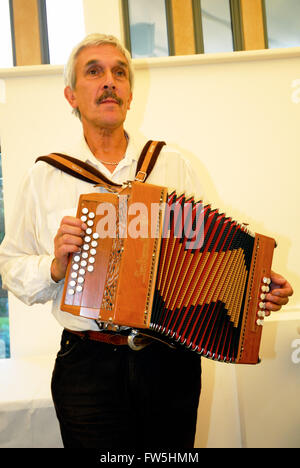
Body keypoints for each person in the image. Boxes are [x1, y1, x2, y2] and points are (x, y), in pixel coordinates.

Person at [0, 34, 293, 449]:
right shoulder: (46, 176)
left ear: (130, 95)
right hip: (87, 365)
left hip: (169, 364)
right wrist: (54, 266)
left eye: (119, 72)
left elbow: (211, 253)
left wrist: (256, 286)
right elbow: (10, 265)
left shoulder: (171, 164)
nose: (109, 81)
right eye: (94, 71)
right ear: (71, 95)